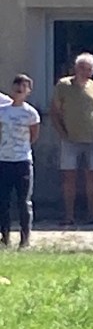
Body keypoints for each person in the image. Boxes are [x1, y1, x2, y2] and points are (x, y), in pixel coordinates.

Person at [49, 52, 93, 226]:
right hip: (70, 140)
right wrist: (62, 133)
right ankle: (69, 216)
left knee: (92, 178)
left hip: (92, 140)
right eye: (82, 68)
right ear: (76, 67)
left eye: (89, 69)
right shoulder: (63, 85)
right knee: (69, 178)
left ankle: (92, 215)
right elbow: (55, 111)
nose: (85, 72)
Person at [0, 74, 40, 250]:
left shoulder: (31, 113)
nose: (19, 89)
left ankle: (24, 239)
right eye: (17, 85)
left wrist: (22, 149)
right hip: (4, 160)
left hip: (22, 161)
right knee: (3, 201)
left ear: (28, 91)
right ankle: (5, 237)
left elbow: (34, 135)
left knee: (24, 201)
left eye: (24, 86)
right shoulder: (3, 111)